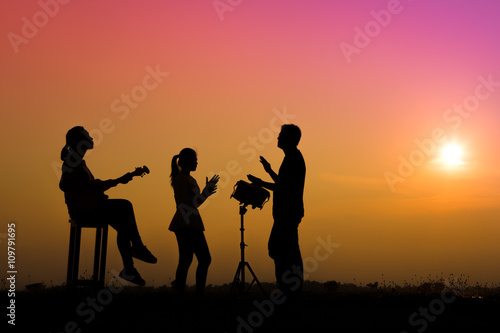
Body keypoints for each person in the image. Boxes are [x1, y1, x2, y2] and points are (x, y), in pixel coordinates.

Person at [59, 126, 157, 286]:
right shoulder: (73, 162)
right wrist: (117, 181)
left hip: (88, 209)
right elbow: (67, 184)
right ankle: (137, 248)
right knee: (125, 206)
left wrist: (118, 180)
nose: (91, 138)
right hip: (83, 212)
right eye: (87, 136)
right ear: (80, 142)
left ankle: (129, 268)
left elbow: (91, 186)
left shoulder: (78, 162)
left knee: (124, 225)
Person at [248, 124, 306, 301]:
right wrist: (269, 172)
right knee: (283, 250)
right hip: (286, 213)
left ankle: (289, 291)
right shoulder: (291, 157)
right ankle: (289, 290)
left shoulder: (293, 158)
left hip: (287, 214)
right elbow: (283, 184)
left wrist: (261, 183)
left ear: (289, 138)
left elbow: (284, 187)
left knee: (283, 251)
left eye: (281, 135)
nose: (277, 138)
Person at [169, 148, 219, 296]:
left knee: (189, 258)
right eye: (194, 160)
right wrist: (204, 193)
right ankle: (195, 292)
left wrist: (206, 194)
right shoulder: (180, 179)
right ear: (186, 162)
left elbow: (195, 203)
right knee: (196, 258)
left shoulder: (191, 179)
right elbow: (182, 203)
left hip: (192, 222)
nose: (196, 163)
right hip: (186, 223)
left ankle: (183, 289)